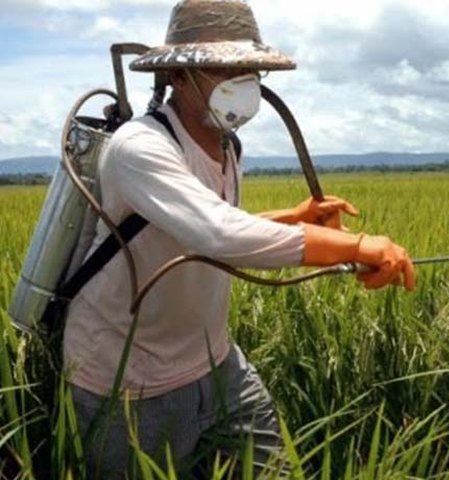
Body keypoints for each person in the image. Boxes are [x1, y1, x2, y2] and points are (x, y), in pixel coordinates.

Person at [61, 0, 415, 477]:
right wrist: (355, 246)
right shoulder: (140, 147)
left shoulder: (227, 144)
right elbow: (218, 233)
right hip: (130, 378)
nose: (242, 80)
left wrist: (293, 218)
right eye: (223, 67)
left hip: (215, 359)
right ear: (179, 77)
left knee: (274, 470)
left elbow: (206, 222)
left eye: (248, 68)